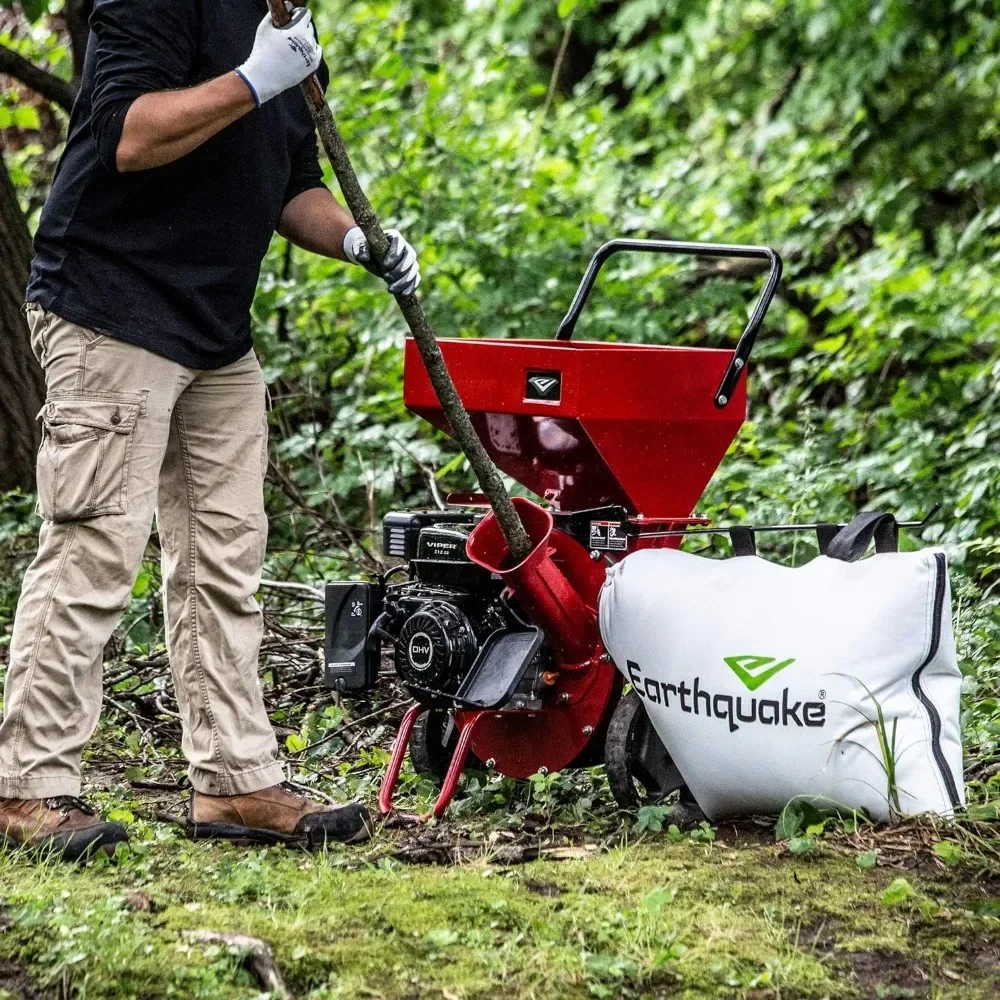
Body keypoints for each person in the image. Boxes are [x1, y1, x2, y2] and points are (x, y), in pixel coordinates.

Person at [0, 0, 419, 860]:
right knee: (93, 549)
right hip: (111, 306)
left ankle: (234, 782)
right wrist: (253, 78)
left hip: (214, 332)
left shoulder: (289, 27)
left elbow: (292, 183)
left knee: (224, 560)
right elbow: (129, 135)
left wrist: (357, 241)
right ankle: (23, 786)